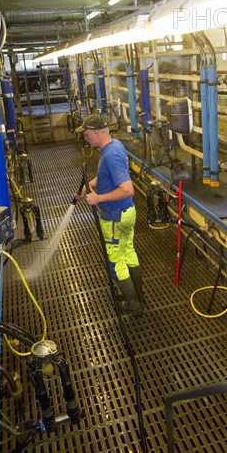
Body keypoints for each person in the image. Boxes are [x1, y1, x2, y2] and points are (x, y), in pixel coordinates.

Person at [74, 114, 144, 316]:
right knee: (128, 253)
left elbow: (127, 189)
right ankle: (138, 297)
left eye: (87, 135)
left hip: (115, 215)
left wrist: (99, 199)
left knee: (115, 261)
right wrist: (88, 188)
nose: (85, 138)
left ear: (96, 133)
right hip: (126, 212)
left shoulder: (110, 155)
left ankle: (133, 305)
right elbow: (107, 176)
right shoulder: (114, 146)